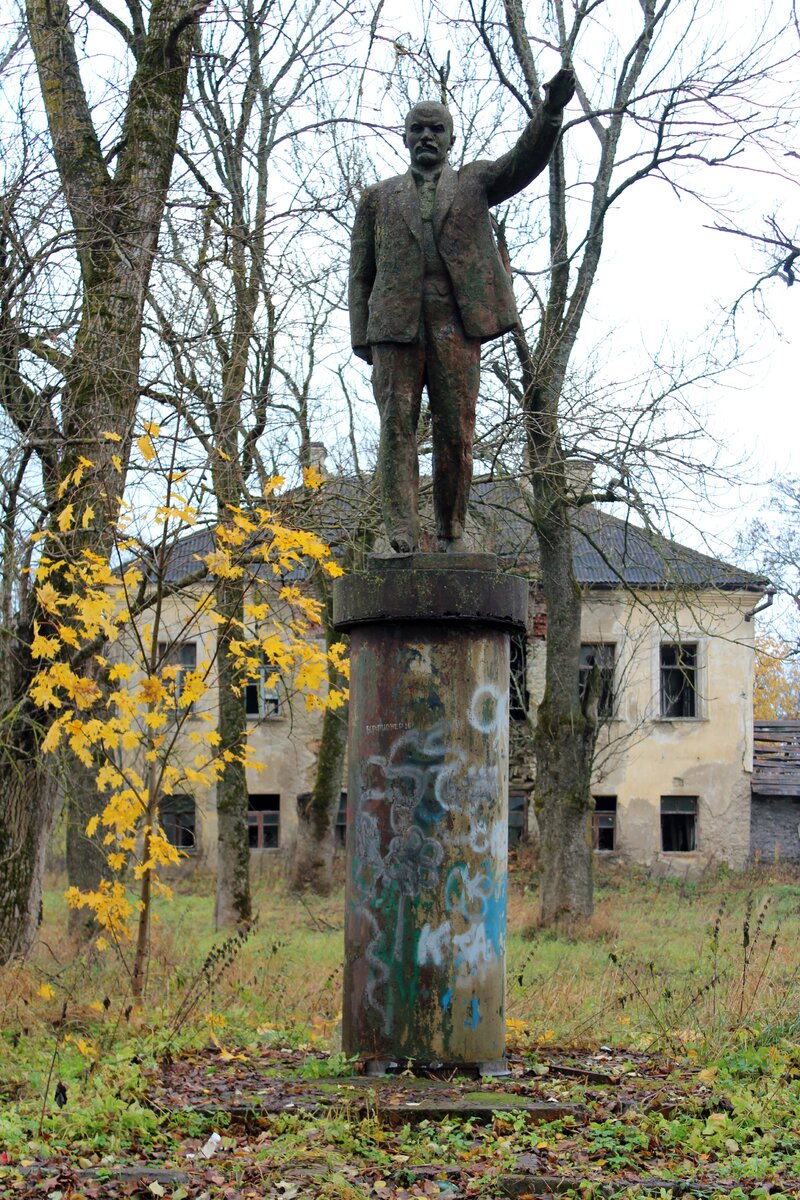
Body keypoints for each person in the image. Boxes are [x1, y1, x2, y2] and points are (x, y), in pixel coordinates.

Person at [349, 70, 575, 554]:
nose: (427, 136)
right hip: (393, 327)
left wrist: (550, 114)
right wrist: (361, 336)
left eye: (436, 129)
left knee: (456, 429)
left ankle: (451, 529)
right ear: (405, 138)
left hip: (455, 324)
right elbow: (360, 274)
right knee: (396, 428)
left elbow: (521, 162)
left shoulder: (474, 182)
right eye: (418, 129)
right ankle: (401, 530)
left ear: (451, 138)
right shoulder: (377, 198)